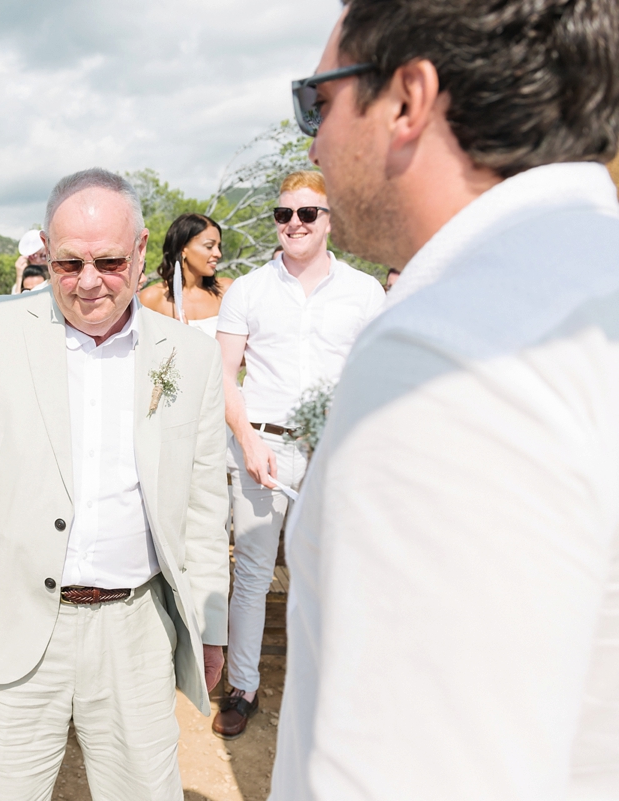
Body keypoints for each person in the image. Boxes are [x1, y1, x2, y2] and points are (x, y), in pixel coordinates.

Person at [272, 1, 619, 798]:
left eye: (317, 100)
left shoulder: (449, 348)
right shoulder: (587, 285)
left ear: (408, 100)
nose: (313, 140)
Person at [0, 168, 230, 800]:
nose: (90, 281)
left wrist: (211, 624)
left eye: (109, 262)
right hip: (5, 624)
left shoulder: (192, 357)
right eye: (68, 263)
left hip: (138, 631)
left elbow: (205, 503)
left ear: (144, 250)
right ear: (45, 249)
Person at [214, 170, 384, 739]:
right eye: (284, 214)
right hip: (261, 446)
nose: (293, 224)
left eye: (307, 214)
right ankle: (242, 688)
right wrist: (248, 439)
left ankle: (337, 690)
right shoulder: (247, 291)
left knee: (334, 570)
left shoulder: (365, 292)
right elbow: (223, 378)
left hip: (336, 449)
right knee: (255, 573)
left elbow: (375, 376)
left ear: (329, 220)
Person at [139, 212, 232, 337]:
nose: (218, 253)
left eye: (218, 246)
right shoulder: (152, 298)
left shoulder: (226, 291)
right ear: (183, 249)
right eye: (209, 246)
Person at [12, 228, 49, 293]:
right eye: (33, 256)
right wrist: (19, 277)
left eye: (43, 256)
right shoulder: (19, 284)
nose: (38, 260)